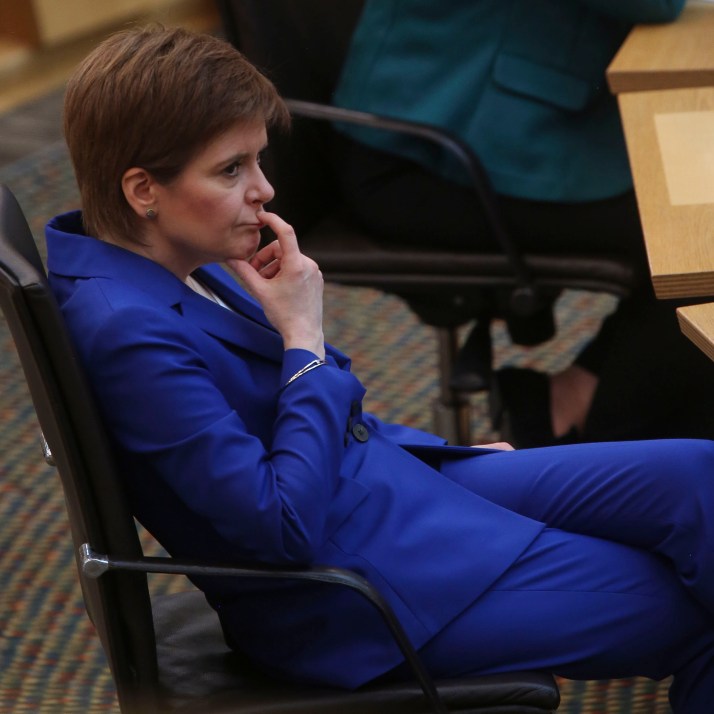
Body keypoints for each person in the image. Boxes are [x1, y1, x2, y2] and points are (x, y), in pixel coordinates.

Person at [47, 26, 714, 712]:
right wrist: (303, 337)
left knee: (700, 473)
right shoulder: (128, 331)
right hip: (365, 590)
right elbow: (282, 527)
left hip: (394, 487)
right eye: (231, 170)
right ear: (143, 189)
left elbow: (310, 422)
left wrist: (438, 456)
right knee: (695, 614)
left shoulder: (165, 258)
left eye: (258, 160)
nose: (265, 189)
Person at [330, 0, 714, 447]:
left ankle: (575, 405)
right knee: (697, 239)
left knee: (694, 213)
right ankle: (614, 456)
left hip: (488, 123)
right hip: (427, 155)